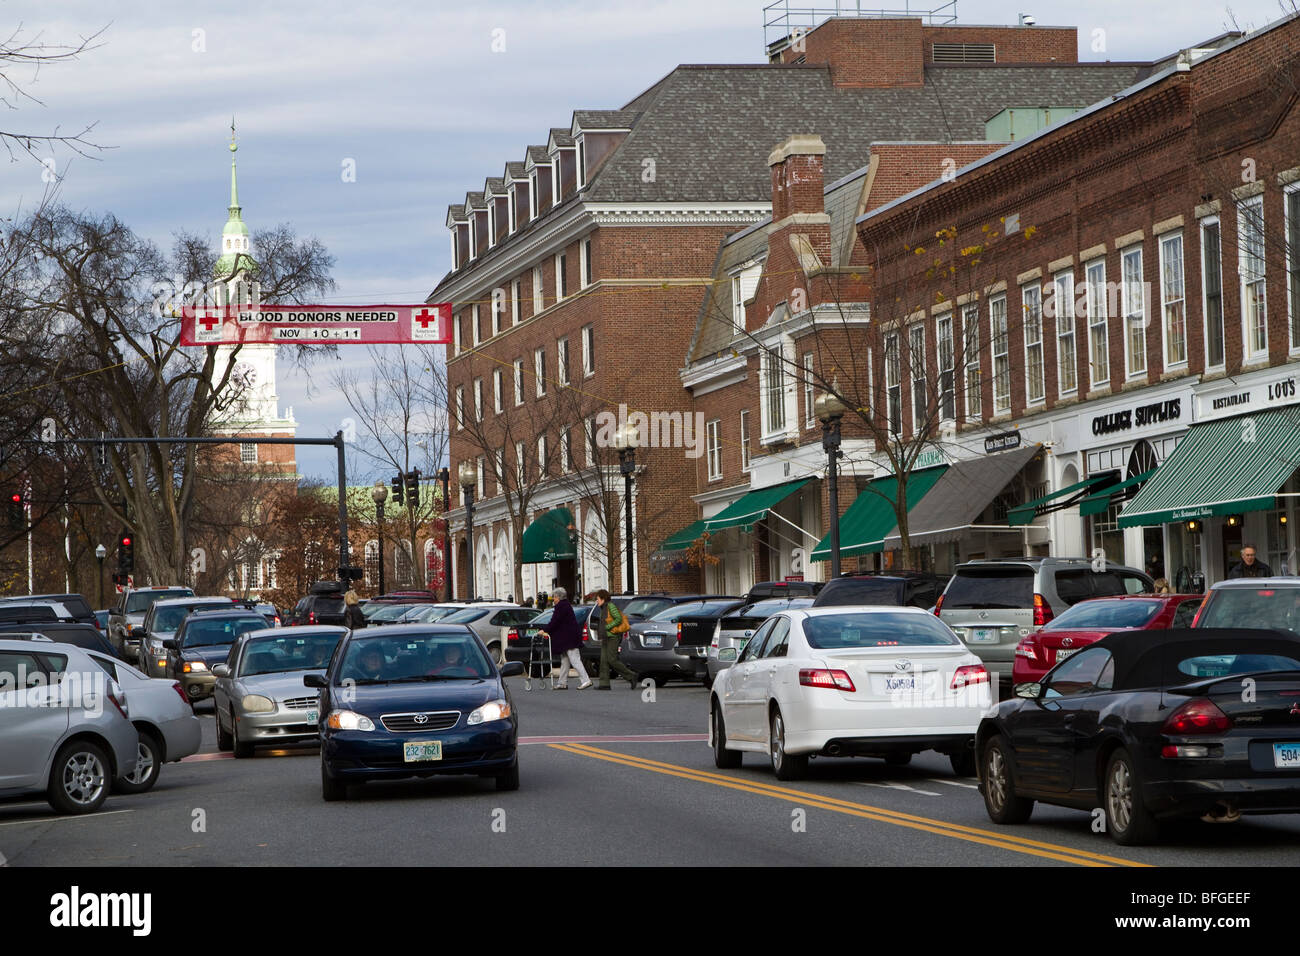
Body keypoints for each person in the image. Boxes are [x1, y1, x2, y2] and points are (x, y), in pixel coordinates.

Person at [536, 587, 591, 689]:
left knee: (574, 659)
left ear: (558, 597)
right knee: (565, 660)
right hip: (569, 638)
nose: (553, 599)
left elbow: (555, 621)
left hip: (569, 638)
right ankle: (562, 683)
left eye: (554, 597)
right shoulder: (565, 605)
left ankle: (586, 680)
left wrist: (545, 630)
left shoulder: (561, 607)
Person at [591, 589, 639, 690]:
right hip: (606, 637)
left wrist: (608, 627)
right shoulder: (603, 608)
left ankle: (631, 676)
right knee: (603, 660)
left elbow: (618, 618)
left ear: (603, 599)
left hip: (613, 636)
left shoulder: (610, 606)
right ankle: (604, 684)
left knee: (612, 659)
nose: (597, 601)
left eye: (598, 599)